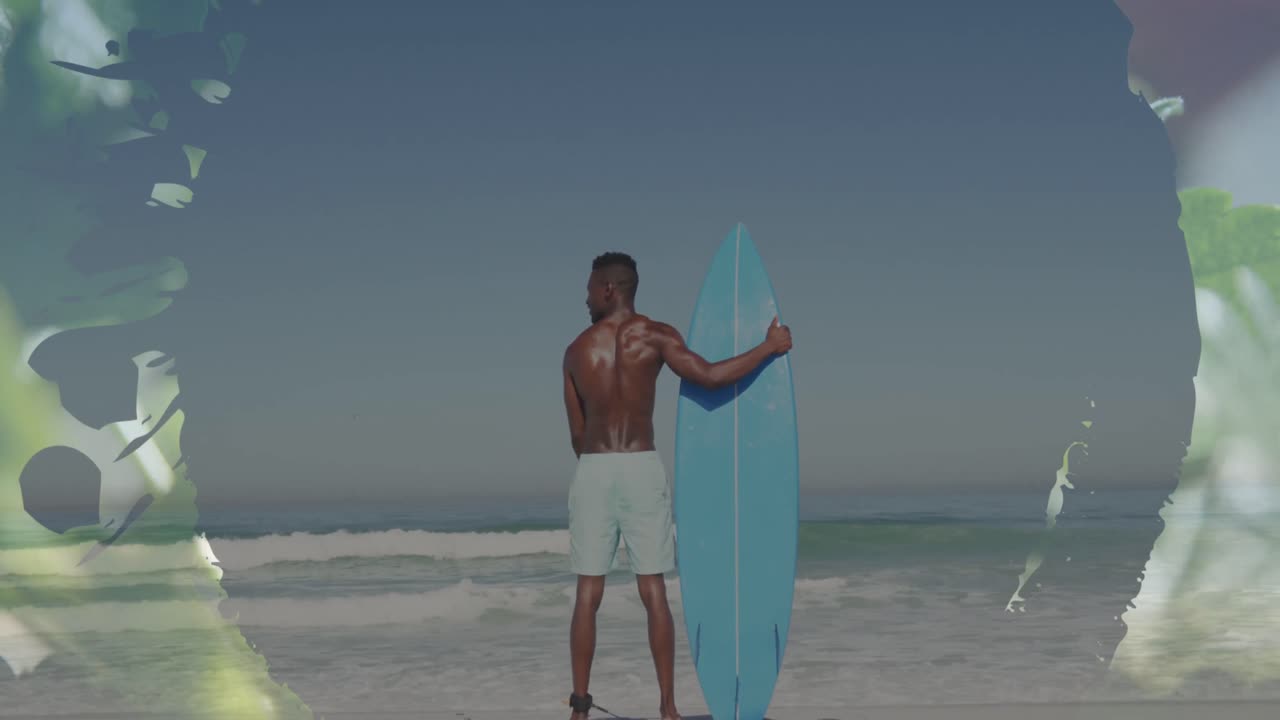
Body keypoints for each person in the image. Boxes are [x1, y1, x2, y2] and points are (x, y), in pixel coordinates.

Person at [561, 251, 793, 720]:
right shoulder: (657, 336)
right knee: (653, 590)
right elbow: (708, 377)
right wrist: (769, 348)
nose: (584, 298)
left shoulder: (575, 351)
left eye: (589, 289)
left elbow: (576, 435)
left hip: (593, 469)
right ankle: (668, 708)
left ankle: (580, 710)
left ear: (609, 289)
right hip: (641, 466)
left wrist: (600, 465)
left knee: (588, 592)